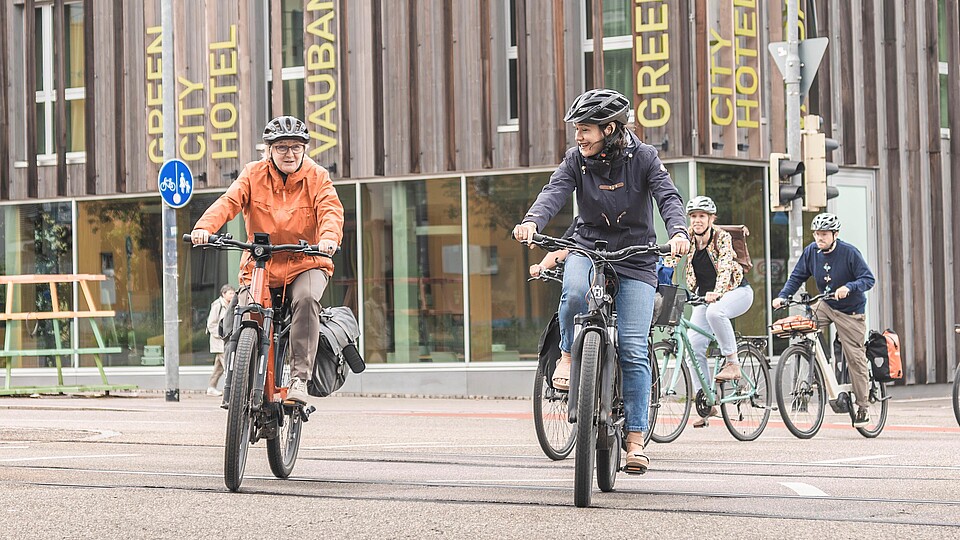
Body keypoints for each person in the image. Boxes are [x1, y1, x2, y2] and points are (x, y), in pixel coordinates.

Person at [513, 88, 690, 474]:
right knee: (574, 292)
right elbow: (553, 191)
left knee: (632, 346)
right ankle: (566, 354)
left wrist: (677, 231)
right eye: (577, 129)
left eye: (586, 129)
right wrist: (531, 222)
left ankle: (635, 440)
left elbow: (668, 197)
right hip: (589, 248)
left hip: (637, 257)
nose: (579, 136)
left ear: (610, 129)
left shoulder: (644, 158)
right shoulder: (576, 160)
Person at [191, 115, 344, 405]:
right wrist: (204, 228)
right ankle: (238, 381)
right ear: (269, 150)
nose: (290, 154)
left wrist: (328, 239)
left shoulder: (318, 177)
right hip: (261, 263)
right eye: (282, 147)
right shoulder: (253, 174)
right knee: (246, 309)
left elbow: (331, 212)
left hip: (305, 263)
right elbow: (229, 202)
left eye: (297, 147)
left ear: (305, 149)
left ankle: (299, 378)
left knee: (307, 299)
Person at [773, 212, 876, 427]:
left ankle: (863, 406)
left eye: (824, 235)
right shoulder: (811, 252)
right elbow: (797, 276)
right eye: (816, 234)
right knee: (803, 327)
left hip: (851, 311)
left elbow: (868, 279)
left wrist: (849, 287)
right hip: (826, 304)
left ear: (835, 234)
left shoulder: (849, 253)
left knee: (855, 357)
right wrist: (783, 296)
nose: (819, 239)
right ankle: (817, 364)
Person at [668, 196, 754, 427]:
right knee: (693, 347)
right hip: (703, 298)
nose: (697, 221)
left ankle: (733, 363)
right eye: (694, 216)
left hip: (735, 292)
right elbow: (669, 261)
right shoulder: (686, 239)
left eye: (702, 216)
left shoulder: (722, 237)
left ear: (711, 219)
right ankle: (705, 402)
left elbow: (725, 266)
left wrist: (718, 291)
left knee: (715, 313)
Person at [206, 284, 236, 396]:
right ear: (223, 294)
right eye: (230, 293)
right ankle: (232, 389)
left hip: (225, 340)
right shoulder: (217, 305)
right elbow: (211, 324)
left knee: (218, 368)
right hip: (219, 341)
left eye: (233, 293)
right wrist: (221, 334)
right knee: (228, 363)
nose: (232, 295)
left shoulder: (230, 305)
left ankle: (211, 387)